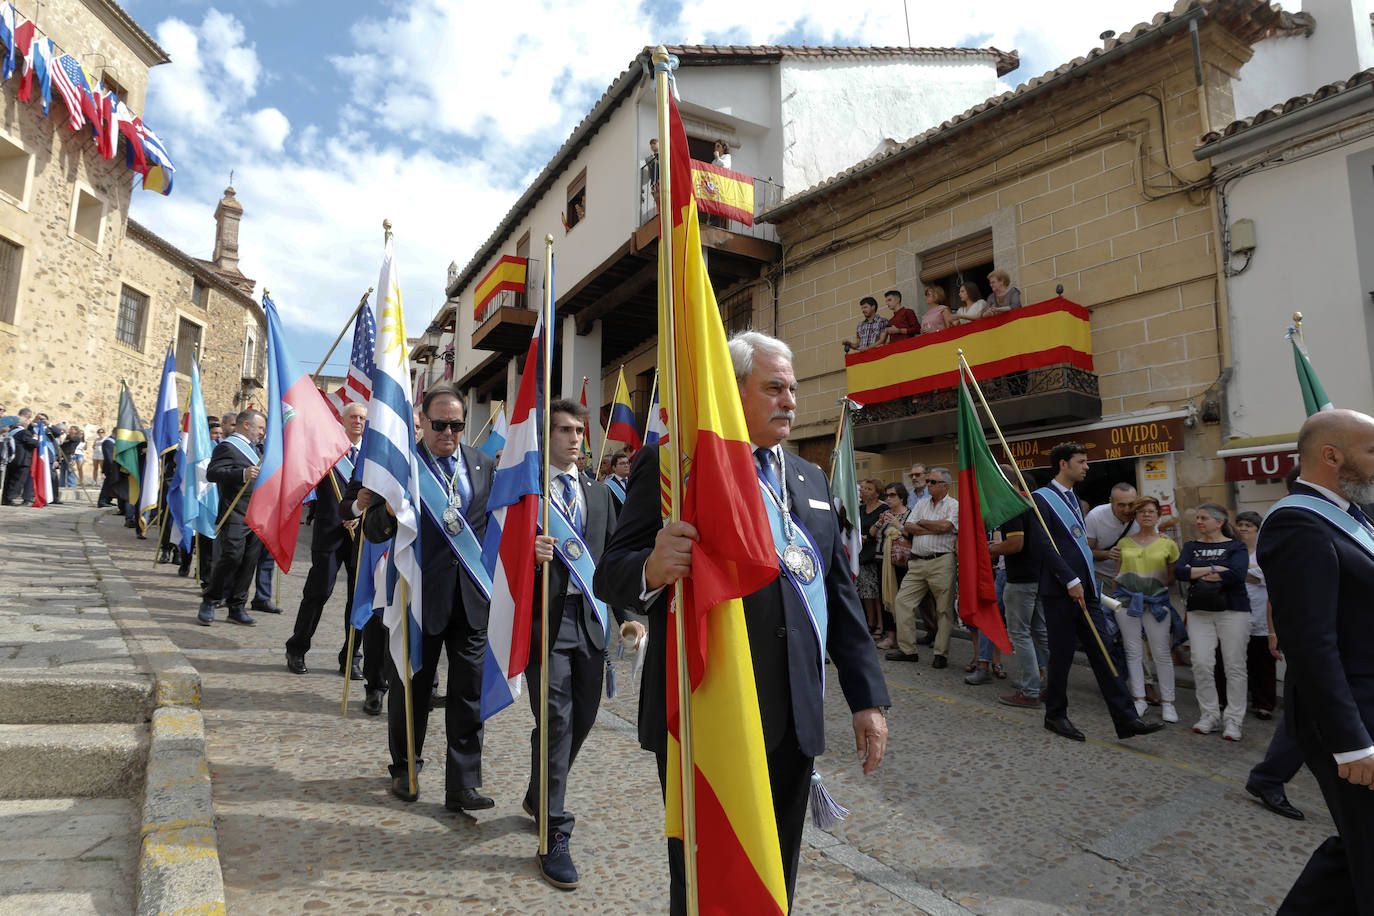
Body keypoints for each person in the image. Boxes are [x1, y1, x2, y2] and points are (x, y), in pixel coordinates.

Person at [593, 330, 888, 914]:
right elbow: (611, 572)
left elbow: (838, 594)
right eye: (775, 388)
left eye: (794, 389)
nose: (791, 401)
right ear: (734, 391)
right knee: (704, 878)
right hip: (708, 709)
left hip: (794, 713)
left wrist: (867, 698)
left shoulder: (809, 477)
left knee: (776, 870)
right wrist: (652, 567)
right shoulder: (678, 464)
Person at [356, 386, 495, 811]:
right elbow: (372, 531)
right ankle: (405, 767)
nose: (448, 433)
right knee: (411, 686)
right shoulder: (402, 467)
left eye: (456, 425)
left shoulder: (483, 465)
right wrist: (390, 510)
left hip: (471, 597)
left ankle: (463, 784)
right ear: (424, 421)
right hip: (417, 596)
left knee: (469, 691)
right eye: (439, 425)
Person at [1258, 409, 1374, 912]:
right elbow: (1310, 644)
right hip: (1354, 717)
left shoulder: (1354, 515)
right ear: (1333, 456)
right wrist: (1350, 744)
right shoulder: (1297, 525)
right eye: (1372, 451)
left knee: (1357, 851)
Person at [526, 398, 643, 889]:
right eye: (563, 430)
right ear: (544, 435)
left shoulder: (597, 495)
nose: (574, 438)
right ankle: (554, 831)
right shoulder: (526, 490)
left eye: (579, 430)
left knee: (583, 718)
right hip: (544, 624)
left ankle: (539, 791)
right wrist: (524, 553)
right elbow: (493, 551)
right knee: (555, 722)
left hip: (591, 624)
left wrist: (631, 617)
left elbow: (615, 560)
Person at [1031, 442, 1164, 742]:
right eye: (1081, 461)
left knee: (1104, 653)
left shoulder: (1074, 499)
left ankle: (1126, 719)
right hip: (1061, 591)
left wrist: (1084, 582)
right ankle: (1055, 715)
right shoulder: (1042, 500)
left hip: (1088, 589)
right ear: (1063, 464)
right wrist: (1069, 580)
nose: (1087, 466)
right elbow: (1043, 546)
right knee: (1062, 656)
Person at [286, 404, 386, 712]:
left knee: (358, 599)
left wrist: (358, 514)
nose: (357, 422)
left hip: (362, 535)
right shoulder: (327, 451)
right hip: (329, 532)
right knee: (318, 593)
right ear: (341, 421)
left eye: (362, 418)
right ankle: (297, 648)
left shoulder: (372, 453)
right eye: (352, 417)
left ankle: (351, 658)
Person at [1174, 503, 1249, 741]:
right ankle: (1209, 714)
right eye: (1197, 517)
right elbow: (1179, 572)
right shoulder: (1191, 546)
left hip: (1233, 610)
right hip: (1199, 611)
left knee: (1234, 666)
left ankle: (1234, 719)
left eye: (1203, 518)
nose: (1198, 522)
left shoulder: (1237, 546)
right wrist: (1216, 568)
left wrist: (1197, 569)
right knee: (1201, 663)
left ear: (1219, 522)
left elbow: (1237, 574)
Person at [1111, 496, 1180, 723]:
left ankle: (1168, 703)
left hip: (1157, 603)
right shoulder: (1124, 543)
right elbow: (1117, 574)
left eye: (1151, 511)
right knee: (1133, 651)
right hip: (1127, 603)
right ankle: (1139, 698)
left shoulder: (1168, 544)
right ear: (1136, 517)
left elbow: (1172, 577)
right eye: (1142, 512)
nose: (1147, 515)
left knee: (1161, 652)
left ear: (1158, 515)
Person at [198, 409, 266, 627]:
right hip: (235, 512)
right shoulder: (228, 447)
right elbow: (213, 473)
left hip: (256, 514)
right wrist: (242, 474)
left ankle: (237, 607)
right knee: (232, 558)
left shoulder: (258, 449)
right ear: (246, 425)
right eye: (260, 427)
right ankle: (211, 599)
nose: (263, 432)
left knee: (249, 562)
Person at [887, 467, 958, 667]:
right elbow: (908, 526)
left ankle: (940, 654)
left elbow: (947, 527)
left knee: (943, 609)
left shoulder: (954, 505)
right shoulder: (920, 504)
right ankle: (908, 649)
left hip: (941, 561)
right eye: (928, 481)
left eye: (933, 482)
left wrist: (925, 524)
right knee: (902, 602)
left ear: (945, 485)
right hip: (917, 562)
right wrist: (935, 527)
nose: (929, 485)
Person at [997, 471, 1048, 710]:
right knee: (1040, 632)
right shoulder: (1033, 502)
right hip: (1039, 575)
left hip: (1020, 580)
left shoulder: (1013, 506)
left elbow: (1015, 544)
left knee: (1021, 634)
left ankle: (1030, 690)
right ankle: (1050, 684)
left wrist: (988, 550)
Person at [1234, 510, 1277, 720]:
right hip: (1236, 612)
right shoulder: (1234, 549)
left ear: (1257, 529)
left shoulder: (1264, 550)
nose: (1243, 528)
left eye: (1248, 525)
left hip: (1261, 614)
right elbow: (1247, 575)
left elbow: (1263, 576)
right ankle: (1247, 699)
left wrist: (1236, 571)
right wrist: (1247, 572)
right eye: (1240, 524)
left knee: (1263, 663)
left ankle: (1265, 703)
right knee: (1242, 661)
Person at [1085, 483, 1139, 593]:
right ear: (1111, 502)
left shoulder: (1143, 514)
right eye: (1121, 505)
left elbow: (1153, 539)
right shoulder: (1095, 516)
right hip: (1103, 577)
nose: (1127, 510)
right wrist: (1108, 554)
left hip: (1136, 577)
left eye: (1131, 504)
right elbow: (1086, 552)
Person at [876, 481, 908, 650]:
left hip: (901, 563)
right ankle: (891, 637)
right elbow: (873, 534)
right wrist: (879, 523)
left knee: (901, 600)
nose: (888, 499)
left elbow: (911, 534)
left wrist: (898, 525)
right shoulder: (885, 513)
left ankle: (904, 637)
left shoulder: (910, 514)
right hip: (882, 561)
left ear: (901, 497)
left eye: (892, 495)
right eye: (886, 495)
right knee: (886, 598)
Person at [857, 479, 887, 638]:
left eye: (868, 488)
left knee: (877, 593)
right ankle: (870, 623)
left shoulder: (884, 508)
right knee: (866, 592)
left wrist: (867, 537)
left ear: (877, 493)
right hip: (862, 553)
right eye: (863, 488)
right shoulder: (860, 508)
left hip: (877, 553)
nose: (864, 490)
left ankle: (881, 625)